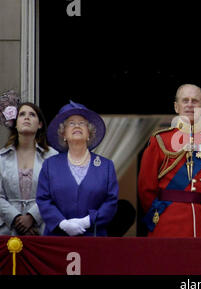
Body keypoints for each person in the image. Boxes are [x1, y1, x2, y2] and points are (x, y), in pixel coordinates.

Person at [138, 84, 201, 237]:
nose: (190, 104)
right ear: (176, 107)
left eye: (195, 101)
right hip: (167, 222)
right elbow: (146, 188)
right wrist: (158, 213)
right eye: (185, 100)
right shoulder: (160, 140)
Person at [36, 101, 118, 236]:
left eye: (82, 123)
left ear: (89, 133)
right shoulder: (50, 165)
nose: (77, 126)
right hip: (58, 237)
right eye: (71, 123)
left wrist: (88, 221)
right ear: (63, 134)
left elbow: (111, 202)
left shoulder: (106, 166)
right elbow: (43, 200)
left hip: (94, 238)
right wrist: (63, 223)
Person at [0, 91, 57, 235]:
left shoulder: (53, 157)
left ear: (40, 124)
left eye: (32, 115)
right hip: (7, 230)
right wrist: (16, 218)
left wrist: (32, 217)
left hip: (41, 229)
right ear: (16, 124)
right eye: (22, 114)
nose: (26, 117)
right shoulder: (1, 157)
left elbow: (55, 193)